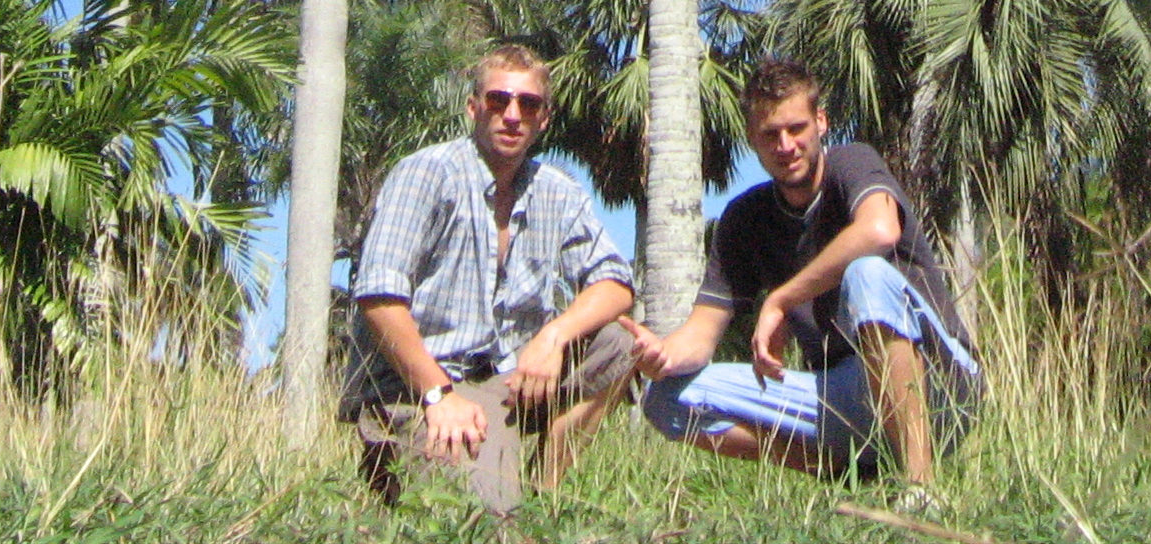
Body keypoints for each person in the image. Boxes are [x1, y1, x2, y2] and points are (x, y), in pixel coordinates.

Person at [630, 59, 981, 490]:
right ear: (751, 140)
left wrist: (781, 299)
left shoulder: (853, 163)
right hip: (842, 396)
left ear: (820, 122)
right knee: (668, 400)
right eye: (769, 135)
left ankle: (920, 486)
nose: (786, 144)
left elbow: (879, 229)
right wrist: (662, 356)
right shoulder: (744, 218)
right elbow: (700, 335)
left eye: (796, 128)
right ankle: (846, 473)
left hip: (940, 383)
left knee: (867, 274)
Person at [343, 43, 636, 516]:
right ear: (473, 107)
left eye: (528, 104)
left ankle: (544, 500)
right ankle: (422, 471)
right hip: (420, 389)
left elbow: (615, 284)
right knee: (482, 522)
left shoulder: (557, 191)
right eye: (498, 100)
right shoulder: (425, 174)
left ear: (544, 118)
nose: (512, 114)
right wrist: (438, 395)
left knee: (617, 343)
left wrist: (553, 336)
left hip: (506, 383)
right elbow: (379, 297)